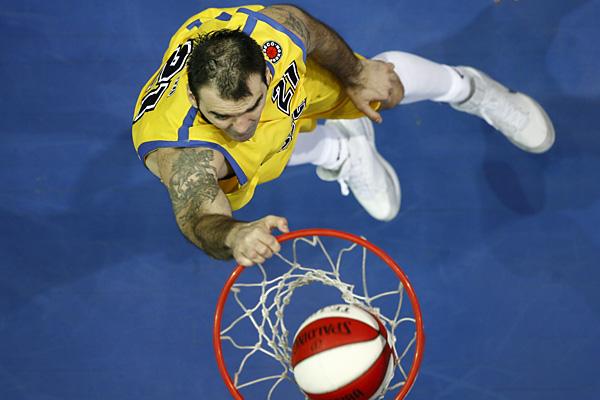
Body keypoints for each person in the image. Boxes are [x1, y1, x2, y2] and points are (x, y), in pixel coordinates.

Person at [132, 4, 554, 267]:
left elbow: (304, 26)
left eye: (251, 108)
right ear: (194, 98)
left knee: (383, 88)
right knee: (252, 157)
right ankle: (340, 148)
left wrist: (356, 72)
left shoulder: (276, 37)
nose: (242, 125)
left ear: (266, 72)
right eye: (224, 115)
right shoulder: (186, 153)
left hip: (282, 93)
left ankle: (469, 89)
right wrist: (232, 234)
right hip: (214, 147)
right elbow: (198, 218)